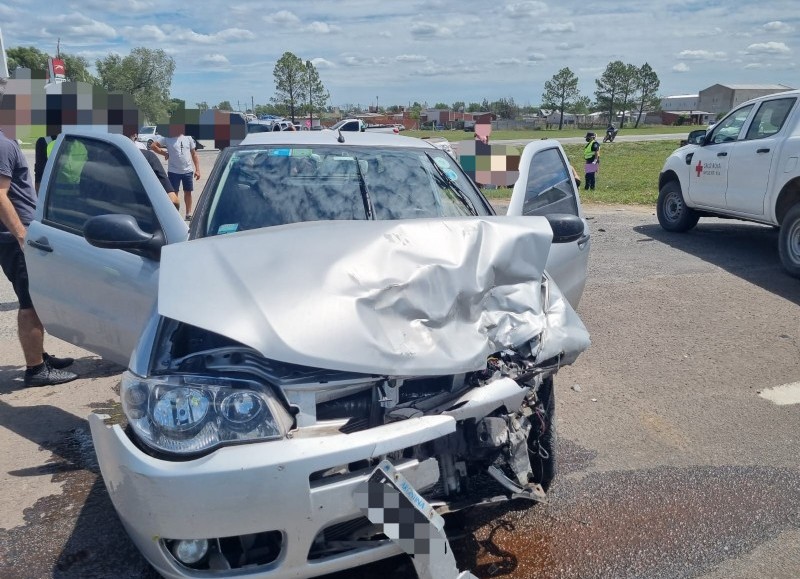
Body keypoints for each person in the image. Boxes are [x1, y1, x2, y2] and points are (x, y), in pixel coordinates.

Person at [0, 101, 78, 385]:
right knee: (30, 302)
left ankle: (40, 355)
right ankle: (35, 370)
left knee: (34, 297)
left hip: (15, 233)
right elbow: (0, 195)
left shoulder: (6, 143)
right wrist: (22, 235)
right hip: (15, 236)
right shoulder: (3, 145)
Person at [122, 127, 180, 210]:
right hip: (143, 215)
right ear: (135, 135)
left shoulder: (100, 157)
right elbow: (173, 200)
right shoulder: (148, 157)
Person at [150, 130, 200, 220]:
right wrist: (164, 153)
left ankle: (188, 214)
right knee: (174, 193)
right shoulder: (167, 137)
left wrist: (198, 170)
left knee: (188, 192)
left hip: (187, 171)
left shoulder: (188, 137)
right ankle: (175, 215)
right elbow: (153, 146)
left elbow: (194, 154)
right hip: (173, 171)